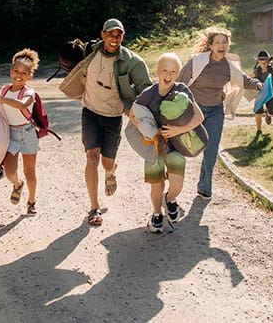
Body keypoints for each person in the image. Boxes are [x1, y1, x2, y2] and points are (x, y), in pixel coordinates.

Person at [59, 18, 152, 226]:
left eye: (119, 35)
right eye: (110, 34)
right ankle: (94, 208)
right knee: (92, 157)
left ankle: (111, 171)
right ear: (102, 34)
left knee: (106, 162)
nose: (114, 38)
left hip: (113, 117)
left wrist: (135, 109)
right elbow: (70, 64)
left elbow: (146, 89)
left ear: (123, 37)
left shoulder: (131, 61)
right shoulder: (90, 53)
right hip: (90, 112)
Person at [177, 27, 261, 200]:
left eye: (225, 42)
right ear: (210, 45)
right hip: (194, 110)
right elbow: (179, 82)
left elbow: (242, 80)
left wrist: (257, 84)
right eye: (218, 42)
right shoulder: (197, 61)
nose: (222, 45)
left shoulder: (229, 65)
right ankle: (171, 185)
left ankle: (204, 188)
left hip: (215, 110)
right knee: (182, 147)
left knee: (211, 150)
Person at [131, 53, 204, 233]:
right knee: (157, 185)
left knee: (177, 184)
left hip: (176, 146)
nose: (168, 75)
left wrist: (178, 130)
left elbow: (199, 117)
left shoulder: (183, 91)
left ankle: (170, 200)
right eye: (164, 70)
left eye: (173, 71)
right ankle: (156, 215)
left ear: (177, 74)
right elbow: (133, 115)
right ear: (157, 72)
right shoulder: (148, 95)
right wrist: (151, 132)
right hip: (154, 148)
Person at [0, 49, 43, 216]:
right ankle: (17, 185)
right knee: (10, 171)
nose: (19, 75)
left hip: (28, 133)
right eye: (16, 71)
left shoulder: (29, 93)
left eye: (24, 73)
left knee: (29, 171)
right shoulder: (4, 90)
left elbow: (21, 105)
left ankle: (31, 202)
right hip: (10, 133)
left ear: (29, 76)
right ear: (11, 72)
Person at [253, 50, 273, 135]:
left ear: (268, 61)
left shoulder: (272, 69)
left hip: (270, 93)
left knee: (272, 112)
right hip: (259, 94)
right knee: (258, 112)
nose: (263, 64)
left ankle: (268, 114)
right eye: (261, 62)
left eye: (265, 62)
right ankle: (258, 130)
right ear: (258, 62)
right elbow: (249, 78)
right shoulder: (257, 71)